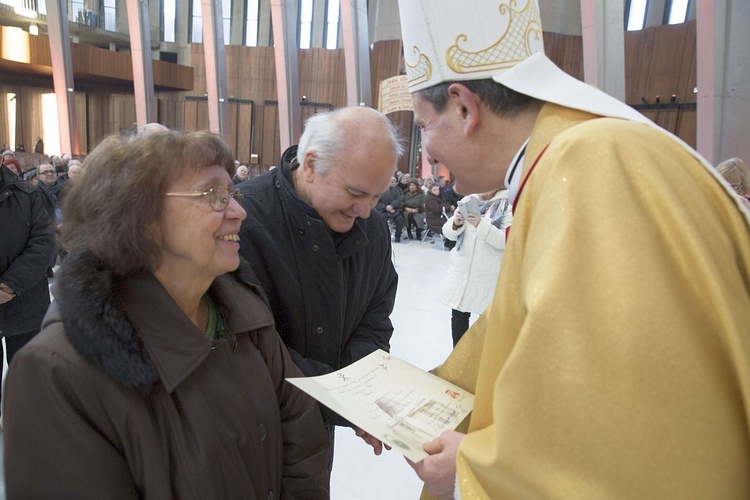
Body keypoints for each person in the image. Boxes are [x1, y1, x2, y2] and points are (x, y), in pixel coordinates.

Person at [397, 0, 750, 497]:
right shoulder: (558, 163)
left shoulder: (595, 163)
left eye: (423, 126)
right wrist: (425, 397)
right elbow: (522, 324)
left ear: (463, 107)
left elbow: (636, 428)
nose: (426, 152)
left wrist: (473, 459)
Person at [3, 130, 331, 497]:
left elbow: (302, 437)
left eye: (232, 194)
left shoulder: (243, 309)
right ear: (140, 219)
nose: (240, 212)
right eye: (215, 197)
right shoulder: (57, 372)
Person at [237, 106, 401, 460]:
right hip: (251, 434)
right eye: (357, 192)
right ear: (310, 164)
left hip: (317, 433)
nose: (367, 210)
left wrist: (357, 394)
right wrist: (346, 401)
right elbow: (248, 349)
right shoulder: (242, 222)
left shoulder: (371, 228)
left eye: (377, 196)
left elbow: (374, 319)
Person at [0, 156, 56, 415]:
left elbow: (43, 244)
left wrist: (10, 285)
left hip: (26, 306)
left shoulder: (29, 195)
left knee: (31, 388)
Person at [438, 189, 512, 346]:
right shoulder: (468, 200)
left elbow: (505, 240)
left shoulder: (508, 204)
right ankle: (457, 359)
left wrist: (480, 224)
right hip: (462, 269)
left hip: (488, 273)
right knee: (458, 315)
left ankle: (478, 362)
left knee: (485, 320)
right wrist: (456, 223)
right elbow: (448, 233)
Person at [376, 176, 405, 242]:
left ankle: (398, 236)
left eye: (394, 182)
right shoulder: (380, 190)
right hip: (383, 210)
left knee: (399, 219)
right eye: (391, 182)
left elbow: (398, 199)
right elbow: (377, 202)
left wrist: (392, 206)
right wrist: (386, 207)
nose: (393, 183)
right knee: (381, 219)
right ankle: (381, 236)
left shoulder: (396, 190)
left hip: (395, 209)